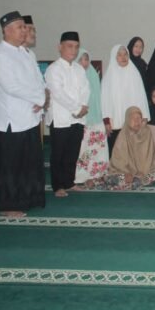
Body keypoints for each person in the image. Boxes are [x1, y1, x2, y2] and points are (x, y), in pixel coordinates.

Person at [0, 11, 47, 217]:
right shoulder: (0, 56)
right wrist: (39, 99)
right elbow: (12, 87)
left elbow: (38, 80)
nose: (25, 31)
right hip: (11, 120)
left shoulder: (26, 53)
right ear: (7, 30)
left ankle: (30, 198)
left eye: (25, 27)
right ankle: (9, 205)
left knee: (30, 162)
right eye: (21, 27)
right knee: (11, 165)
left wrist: (42, 96)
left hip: (30, 117)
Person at [44, 31, 90, 197]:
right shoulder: (53, 69)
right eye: (70, 46)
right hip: (61, 118)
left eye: (76, 47)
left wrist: (83, 106)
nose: (73, 50)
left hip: (78, 118)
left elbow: (86, 89)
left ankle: (69, 182)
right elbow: (58, 93)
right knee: (59, 153)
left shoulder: (79, 69)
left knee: (72, 151)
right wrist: (77, 109)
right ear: (60, 47)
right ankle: (58, 186)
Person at [101, 44, 150, 155]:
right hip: (115, 121)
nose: (123, 57)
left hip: (133, 121)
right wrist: (106, 121)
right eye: (119, 55)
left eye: (125, 54)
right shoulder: (108, 76)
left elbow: (141, 96)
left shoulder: (134, 73)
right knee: (116, 150)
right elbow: (104, 100)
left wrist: (144, 117)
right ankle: (116, 172)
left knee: (133, 151)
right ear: (114, 57)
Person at [74, 49, 110, 185]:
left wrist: (104, 118)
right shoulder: (74, 76)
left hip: (97, 118)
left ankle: (98, 174)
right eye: (81, 59)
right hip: (82, 119)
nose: (84, 62)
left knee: (99, 148)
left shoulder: (93, 75)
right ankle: (83, 176)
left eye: (86, 59)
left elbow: (99, 98)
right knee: (84, 150)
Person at [104, 106, 155, 190]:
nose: (136, 121)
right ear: (127, 119)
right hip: (126, 173)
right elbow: (118, 160)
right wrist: (127, 173)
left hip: (145, 171)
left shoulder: (146, 132)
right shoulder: (123, 134)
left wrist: (143, 172)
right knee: (109, 177)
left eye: (139, 118)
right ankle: (134, 182)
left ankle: (134, 182)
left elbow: (149, 157)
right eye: (133, 118)